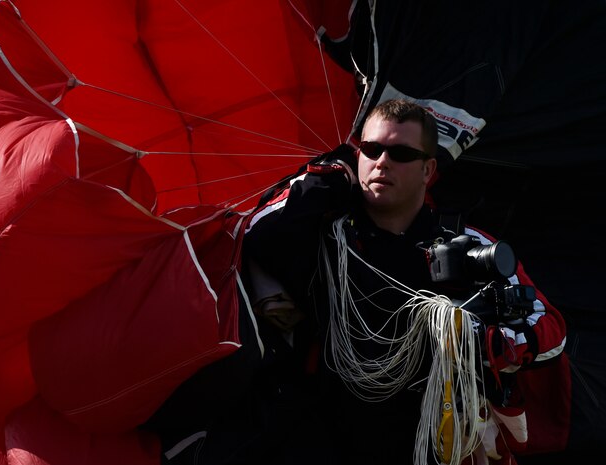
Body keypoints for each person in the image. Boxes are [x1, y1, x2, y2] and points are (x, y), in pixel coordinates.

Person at [239, 99, 567, 465]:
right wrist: (335, 172)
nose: (382, 162)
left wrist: (482, 338)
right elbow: (257, 232)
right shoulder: (326, 241)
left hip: (436, 444)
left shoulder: (468, 245)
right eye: (371, 149)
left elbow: (549, 328)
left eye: (400, 153)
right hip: (330, 440)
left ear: (428, 169)